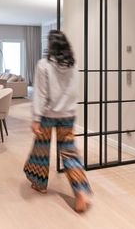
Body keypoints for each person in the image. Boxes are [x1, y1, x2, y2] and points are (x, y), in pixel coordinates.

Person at [23, 30, 91, 213]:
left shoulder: (43, 65)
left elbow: (40, 93)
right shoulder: (73, 65)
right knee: (70, 153)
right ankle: (80, 193)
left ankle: (40, 185)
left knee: (41, 150)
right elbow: (74, 91)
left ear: (51, 46)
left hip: (47, 116)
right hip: (68, 115)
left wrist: (36, 118)